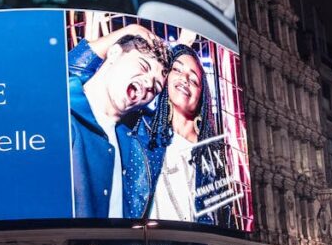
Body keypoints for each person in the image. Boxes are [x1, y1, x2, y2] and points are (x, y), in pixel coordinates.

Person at [69, 25, 170, 218]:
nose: (148, 84)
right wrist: (131, 30)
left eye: (156, 86)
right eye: (143, 66)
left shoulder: (138, 139)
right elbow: (55, 72)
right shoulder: (60, 108)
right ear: (114, 53)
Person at [149, 44, 231, 226]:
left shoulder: (211, 155)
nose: (185, 79)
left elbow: (224, 217)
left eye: (194, 80)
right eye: (177, 69)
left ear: (202, 96)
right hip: (148, 241)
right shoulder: (145, 132)